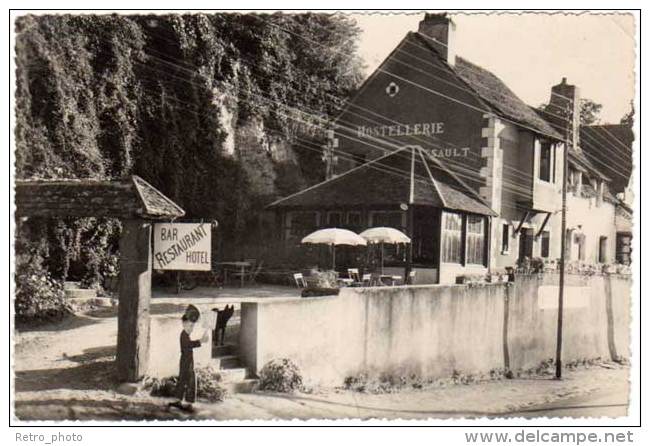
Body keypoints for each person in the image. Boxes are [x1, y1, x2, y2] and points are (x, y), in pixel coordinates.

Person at [169, 305, 209, 413]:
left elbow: (190, 344)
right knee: (190, 379)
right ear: (184, 324)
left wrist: (202, 339)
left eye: (192, 326)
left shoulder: (185, 334)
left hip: (186, 360)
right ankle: (188, 402)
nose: (191, 328)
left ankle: (180, 400)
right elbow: (188, 345)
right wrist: (201, 341)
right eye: (190, 326)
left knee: (183, 379)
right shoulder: (183, 335)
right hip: (186, 361)